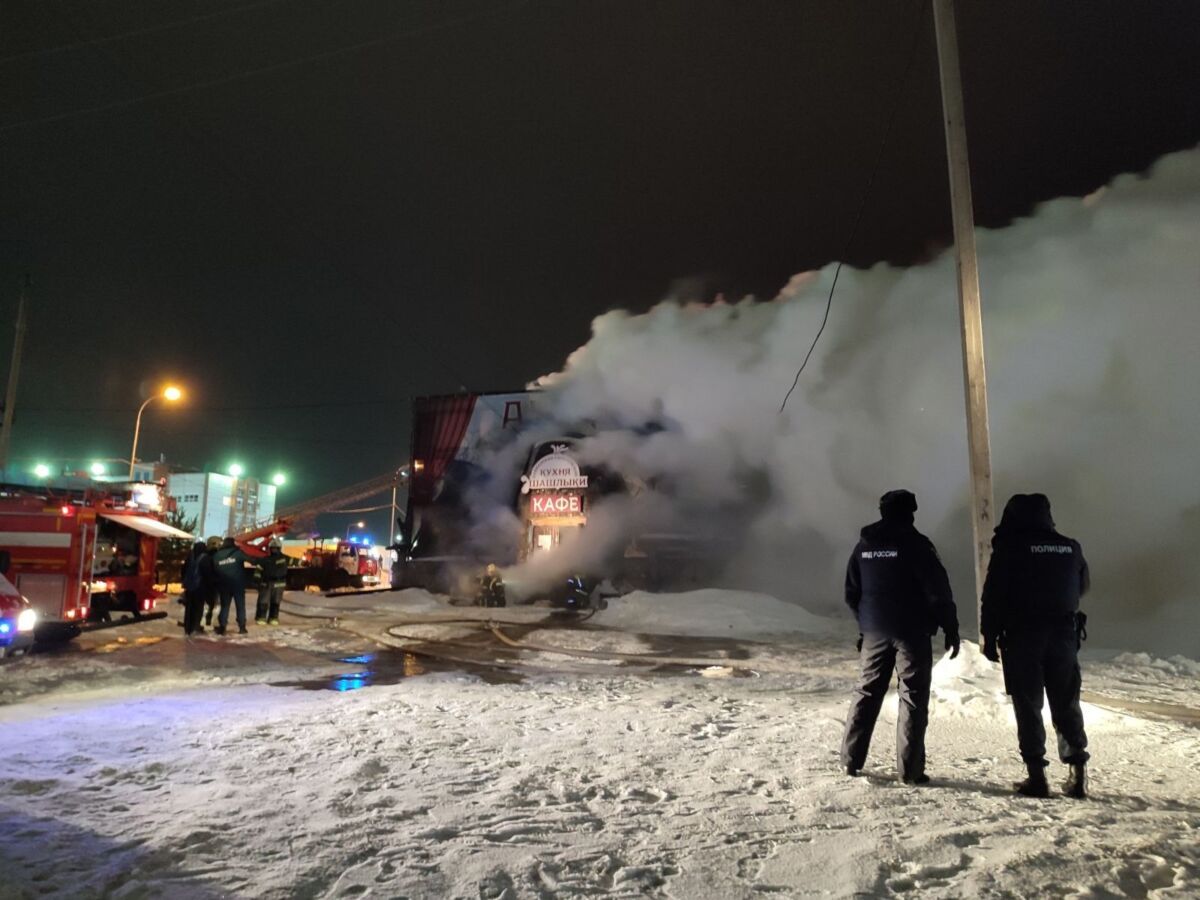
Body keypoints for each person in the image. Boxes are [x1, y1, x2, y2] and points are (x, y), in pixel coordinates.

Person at [841, 489, 960, 784]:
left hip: (874, 633)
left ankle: (850, 761)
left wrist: (866, 625)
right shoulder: (918, 545)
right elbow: (937, 590)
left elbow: (852, 592)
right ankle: (910, 771)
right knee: (913, 697)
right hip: (912, 632)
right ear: (911, 512)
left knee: (866, 693)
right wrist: (950, 626)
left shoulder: (863, 546)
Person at [980, 493, 1091, 799]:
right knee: (1066, 701)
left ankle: (1036, 778)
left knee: (1028, 705)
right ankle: (1077, 773)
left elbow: (993, 596)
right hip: (1064, 634)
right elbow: (1082, 585)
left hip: (1023, 636)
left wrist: (988, 637)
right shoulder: (1070, 546)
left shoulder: (1010, 547)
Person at [210, 536, 257, 635]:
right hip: (238, 585)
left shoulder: (217, 555)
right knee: (240, 606)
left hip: (224, 585)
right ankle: (242, 627)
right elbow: (252, 560)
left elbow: (213, 569)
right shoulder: (238, 553)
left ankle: (222, 627)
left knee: (225, 606)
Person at [180, 540, 215, 636]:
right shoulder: (205, 558)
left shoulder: (190, 557)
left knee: (189, 607)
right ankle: (196, 626)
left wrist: (184, 582)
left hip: (189, 587)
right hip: (200, 587)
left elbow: (183, 570)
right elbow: (208, 574)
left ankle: (188, 627)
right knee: (198, 607)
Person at [255, 539, 289, 625]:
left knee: (275, 602)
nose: (274, 550)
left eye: (275, 548)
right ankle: (262, 618)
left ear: (279, 548)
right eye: (272, 548)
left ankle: (273, 618)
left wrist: (306, 562)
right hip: (267, 583)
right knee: (264, 601)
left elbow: (295, 561)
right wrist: (258, 580)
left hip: (278, 583)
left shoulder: (284, 558)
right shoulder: (265, 559)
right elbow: (258, 570)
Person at [203, 536, 222, 626]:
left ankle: (205, 619)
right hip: (215, 582)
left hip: (206, 582)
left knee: (207, 603)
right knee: (212, 603)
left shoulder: (204, 555)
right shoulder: (218, 556)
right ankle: (209, 619)